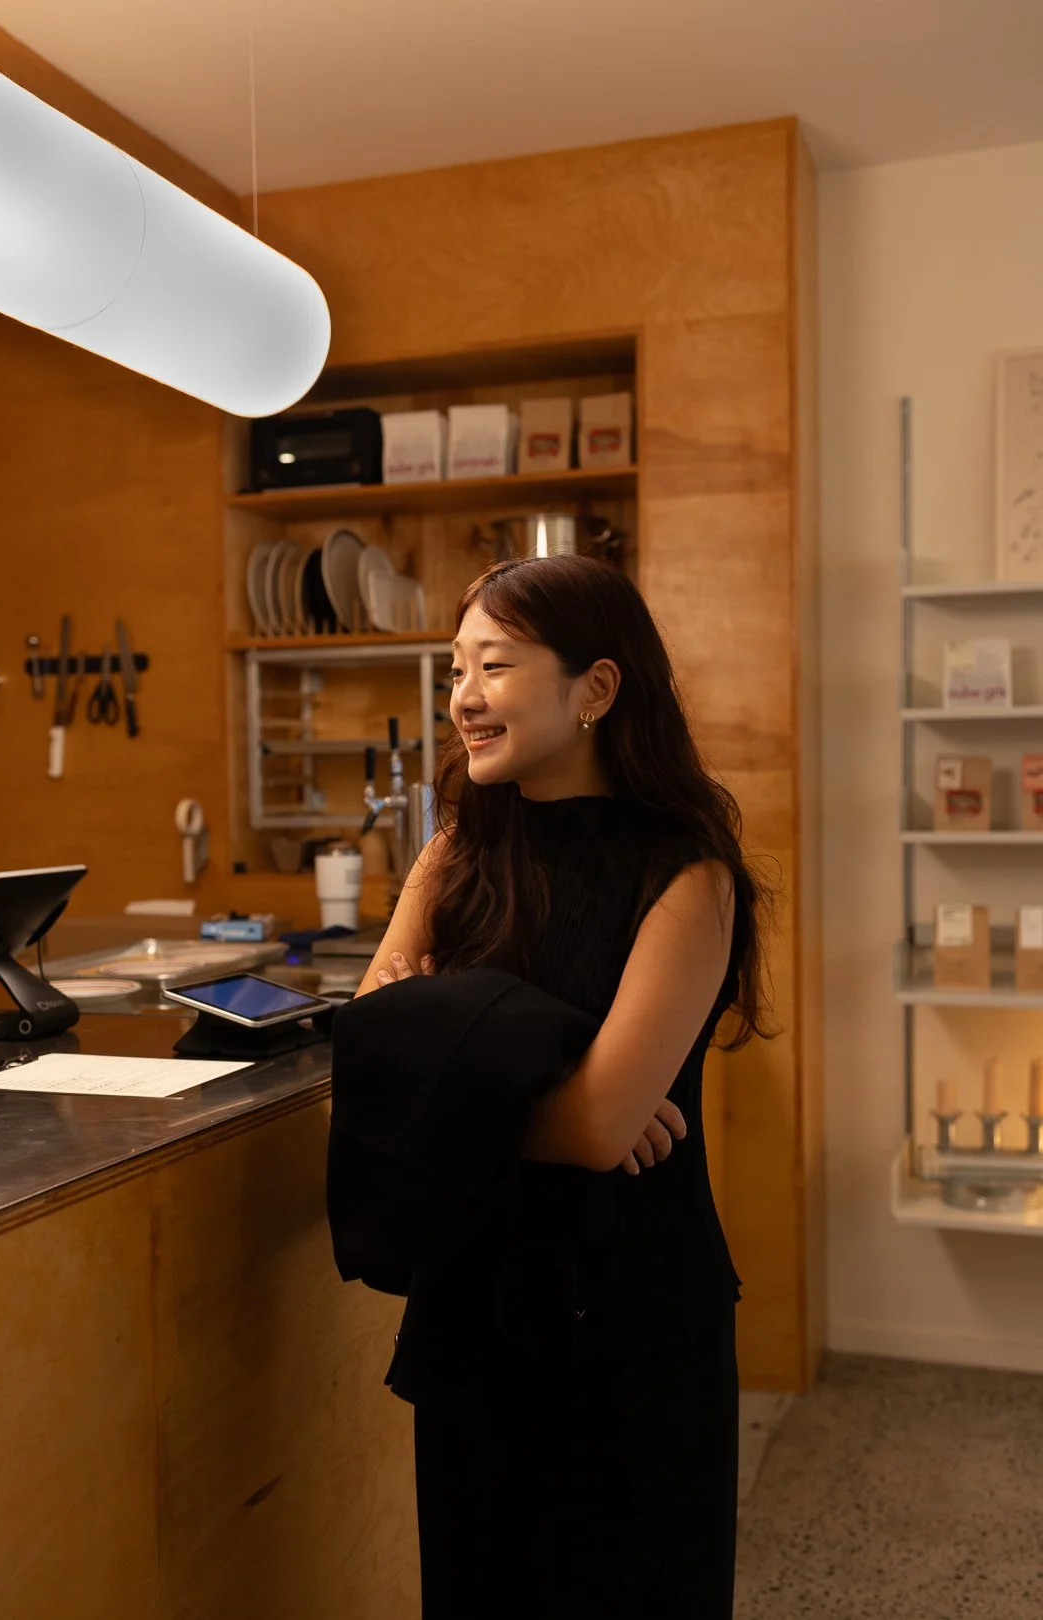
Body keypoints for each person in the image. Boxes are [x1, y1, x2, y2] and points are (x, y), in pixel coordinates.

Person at [353, 554, 773, 1619]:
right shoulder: (453, 853)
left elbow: (594, 1127)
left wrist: (465, 1061)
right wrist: (570, 1086)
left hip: (631, 1319)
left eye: (493, 666)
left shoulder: (686, 876)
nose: (462, 698)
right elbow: (370, 1059)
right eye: (455, 669)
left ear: (596, 688)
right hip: (477, 1308)